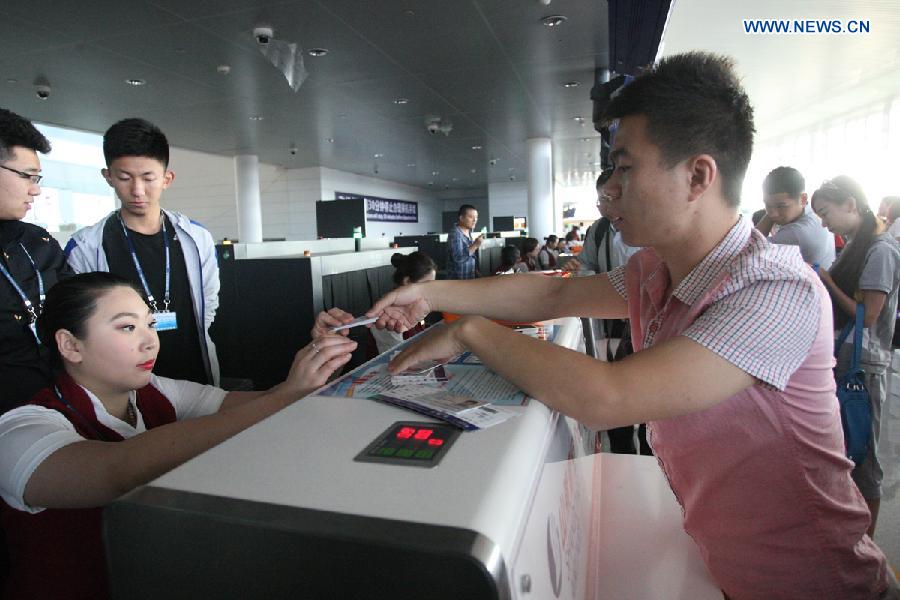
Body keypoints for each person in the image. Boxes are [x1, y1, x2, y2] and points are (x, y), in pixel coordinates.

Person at [365, 52, 898, 599]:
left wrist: (468, 329)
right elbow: (556, 291)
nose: (607, 190)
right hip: (731, 571)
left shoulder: (773, 291)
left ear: (697, 176)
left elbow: (611, 396)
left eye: (625, 167)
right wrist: (429, 294)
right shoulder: (654, 272)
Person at [0, 272, 355, 599]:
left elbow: (252, 405)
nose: (150, 342)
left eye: (150, 325)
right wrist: (286, 394)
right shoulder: (21, 431)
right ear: (70, 345)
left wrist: (316, 359)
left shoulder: (154, 391)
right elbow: (118, 470)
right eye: (126, 328)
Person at [65, 118, 220, 386]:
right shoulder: (86, 247)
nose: (137, 191)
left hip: (194, 373)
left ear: (166, 179)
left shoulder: (196, 238)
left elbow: (209, 304)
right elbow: (81, 320)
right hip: (122, 384)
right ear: (108, 177)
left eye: (148, 178)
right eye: (125, 178)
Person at [812, 176, 900, 538]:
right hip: (847, 362)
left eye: (826, 212)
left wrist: (825, 282)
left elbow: (869, 315)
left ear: (850, 203)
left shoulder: (879, 250)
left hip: (861, 369)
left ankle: (868, 544)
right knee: (844, 452)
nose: (823, 223)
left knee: (863, 458)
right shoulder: (857, 244)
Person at [565, 170, 647, 455]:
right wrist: (581, 272)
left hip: (646, 323)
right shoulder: (599, 230)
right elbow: (589, 267)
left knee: (649, 406)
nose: (604, 205)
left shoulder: (649, 229)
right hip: (614, 324)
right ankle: (623, 456)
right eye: (601, 199)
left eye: (611, 198)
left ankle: (651, 458)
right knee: (620, 400)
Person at [0, 108, 73, 414]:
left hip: (61, 407)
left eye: (37, 177)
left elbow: (74, 305)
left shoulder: (39, 243)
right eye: (27, 176)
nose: (36, 189)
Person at [755, 166, 835, 269]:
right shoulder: (811, 211)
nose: (773, 213)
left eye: (781, 206)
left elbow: (748, 247)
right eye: (767, 205)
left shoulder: (797, 233)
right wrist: (774, 207)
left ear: (803, 199)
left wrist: (770, 211)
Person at [369, 251, 436, 355]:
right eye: (425, 285)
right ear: (407, 282)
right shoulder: (387, 314)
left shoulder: (415, 305)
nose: (430, 291)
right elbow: (395, 355)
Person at [445, 204, 482, 279]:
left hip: (469, 278)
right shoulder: (455, 234)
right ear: (461, 218)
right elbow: (458, 258)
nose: (475, 220)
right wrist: (475, 245)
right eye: (471, 217)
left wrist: (476, 272)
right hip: (458, 281)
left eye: (476, 217)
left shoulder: (469, 231)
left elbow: (470, 257)